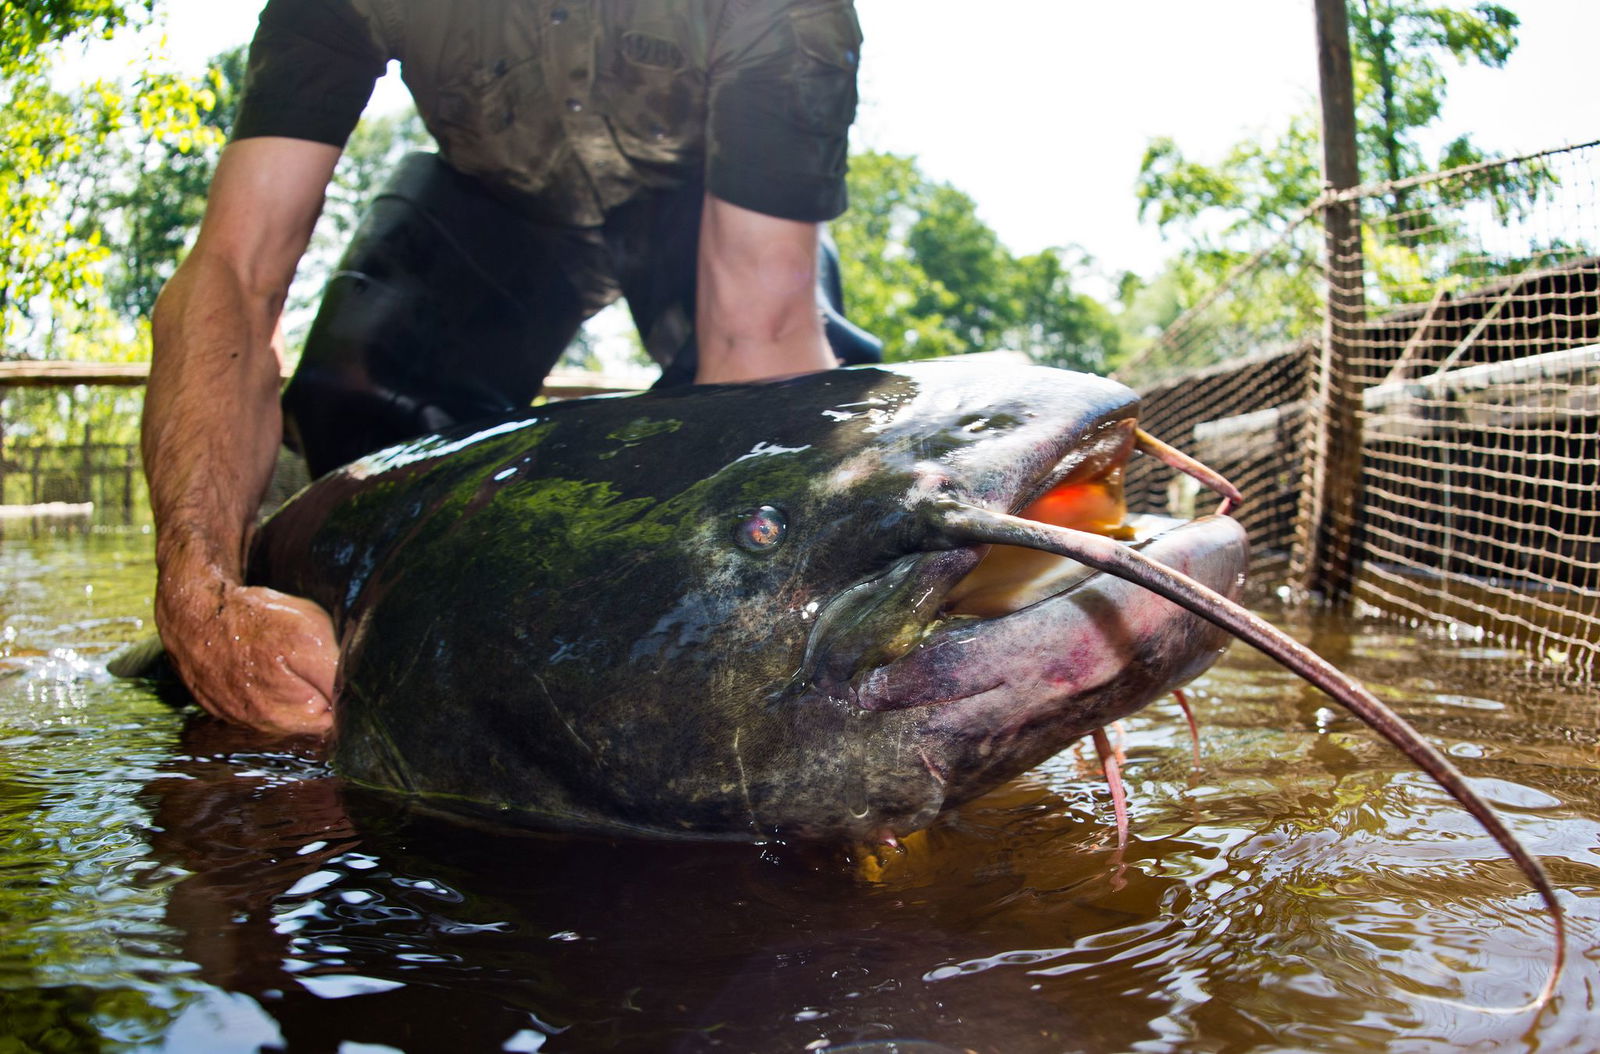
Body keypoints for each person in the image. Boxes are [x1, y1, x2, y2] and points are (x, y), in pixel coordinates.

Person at [142, 0, 876, 736]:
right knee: (354, 402)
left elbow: (758, 339)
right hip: (492, 216)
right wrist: (195, 596)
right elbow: (235, 274)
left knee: (780, 436)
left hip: (703, 214)